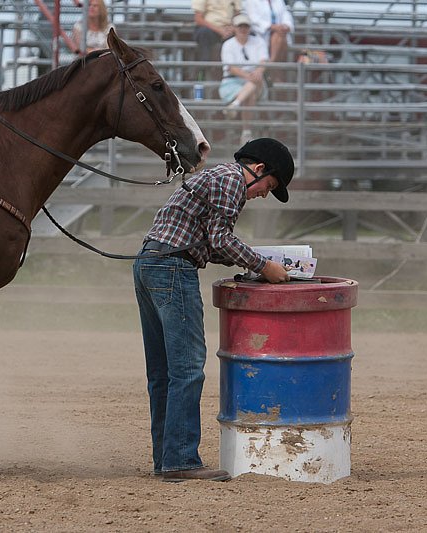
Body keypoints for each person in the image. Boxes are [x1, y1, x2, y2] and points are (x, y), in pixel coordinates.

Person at [133, 138, 293, 482]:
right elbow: (220, 240)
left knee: (163, 371)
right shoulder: (232, 180)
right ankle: (180, 461)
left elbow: (208, 242)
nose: (264, 194)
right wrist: (264, 266)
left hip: (151, 262)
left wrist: (254, 264)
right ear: (259, 170)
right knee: (188, 368)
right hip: (174, 267)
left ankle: (167, 458)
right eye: (269, 185)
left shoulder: (218, 177)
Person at [220, 13, 269, 144]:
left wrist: (257, 73)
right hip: (232, 82)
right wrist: (251, 76)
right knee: (250, 93)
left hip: (255, 81)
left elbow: (263, 62)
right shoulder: (228, 44)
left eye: (245, 26)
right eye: (240, 26)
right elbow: (231, 68)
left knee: (253, 84)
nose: (243, 29)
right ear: (235, 28)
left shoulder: (258, 41)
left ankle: (235, 105)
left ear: (249, 28)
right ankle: (246, 132)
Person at [243, 0, 294, 69]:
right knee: (279, 36)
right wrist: (271, 26)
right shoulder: (251, 1)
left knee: (279, 35)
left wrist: (286, 25)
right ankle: (273, 67)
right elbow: (253, 19)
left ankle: (271, 64)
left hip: (279, 32)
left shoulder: (279, 1)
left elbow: (286, 14)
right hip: (260, 33)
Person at [192, 0, 237, 74]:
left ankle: (234, 71)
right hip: (209, 28)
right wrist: (219, 30)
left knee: (243, 33)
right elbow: (198, 19)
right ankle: (203, 71)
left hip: (230, 30)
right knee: (204, 33)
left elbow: (238, 14)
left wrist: (233, 28)